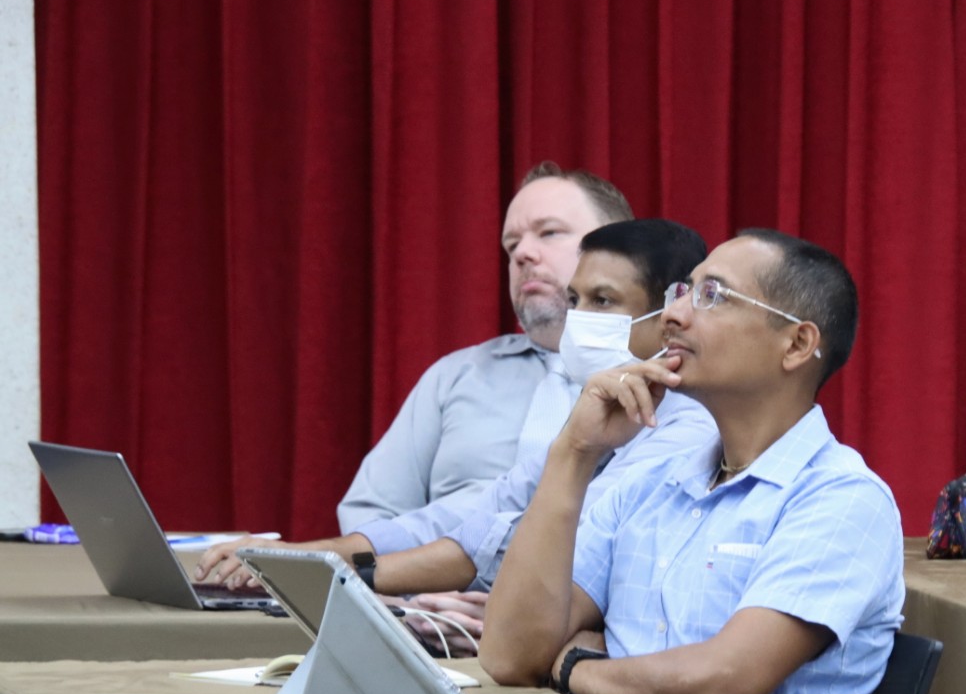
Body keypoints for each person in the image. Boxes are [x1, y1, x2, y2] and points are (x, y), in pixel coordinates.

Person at [480, 229, 904, 694]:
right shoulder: (652, 483)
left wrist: (572, 667)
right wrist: (575, 451)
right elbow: (509, 655)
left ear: (796, 344)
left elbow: (718, 682)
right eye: (683, 291)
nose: (673, 316)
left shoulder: (840, 500)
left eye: (712, 296)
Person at [195, 219, 715, 605]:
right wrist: (308, 557)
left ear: (671, 314)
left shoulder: (692, 427)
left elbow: (536, 543)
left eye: (602, 302)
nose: (579, 321)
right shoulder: (601, 409)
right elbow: (473, 518)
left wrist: (338, 575)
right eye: (575, 300)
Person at [336, 162, 631, 532]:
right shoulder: (454, 376)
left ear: (618, 249)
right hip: (432, 567)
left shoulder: (660, 381)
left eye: (549, 233)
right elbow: (370, 511)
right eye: (512, 244)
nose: (522, 253)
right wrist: (400, 575)